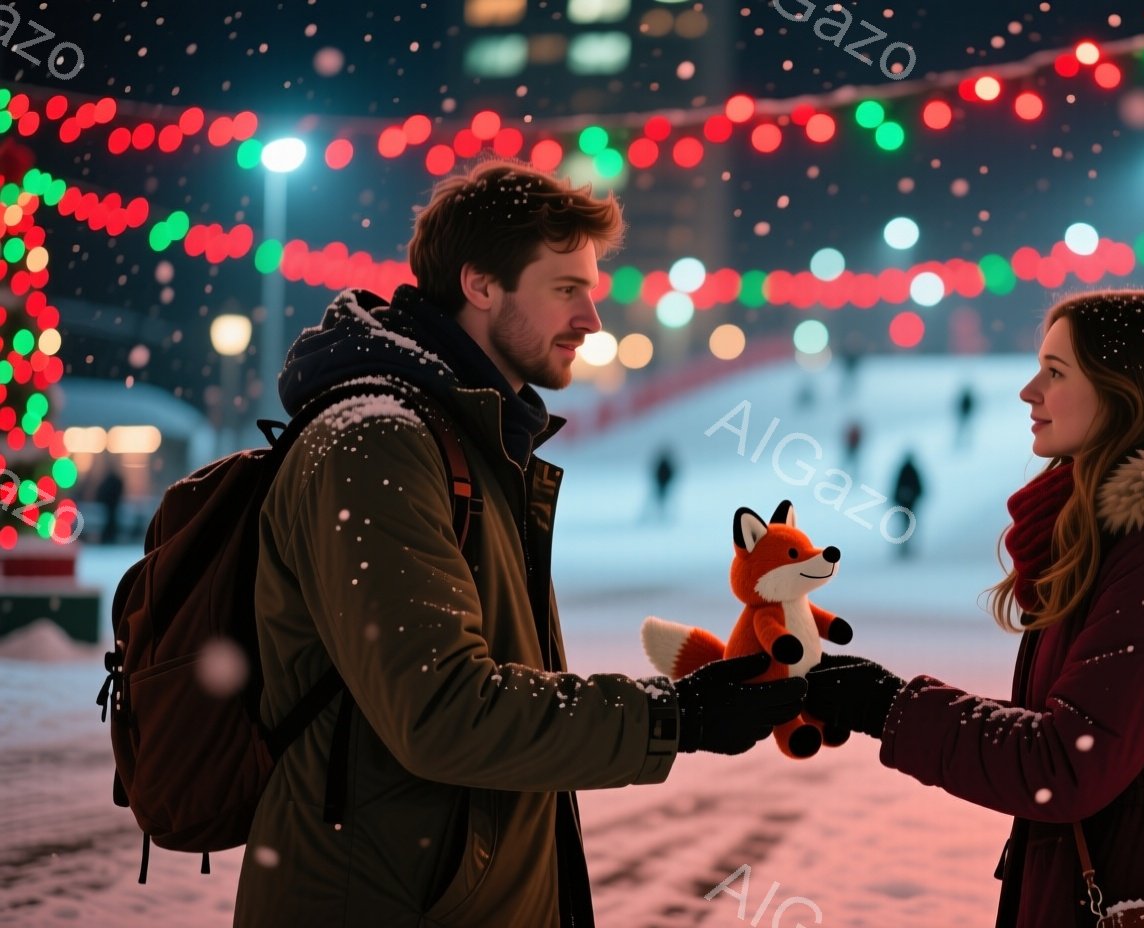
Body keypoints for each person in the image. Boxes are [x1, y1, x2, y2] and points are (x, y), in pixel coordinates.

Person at [235, 160, 805, 927]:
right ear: (480, 285)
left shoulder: (469, 438)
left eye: (591, 292)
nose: (593, 321)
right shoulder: (379, 441)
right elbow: (441, 711)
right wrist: (672, 718)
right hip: (381, 896)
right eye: (567, 289)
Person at [804, 290, 1144, 926]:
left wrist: (890, 707)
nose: (1028, 391)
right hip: (1111, 872)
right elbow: (1075, 736)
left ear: (1124, 391)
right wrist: (888, 702)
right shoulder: (1112, 536)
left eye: (1056, 372)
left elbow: (1069, 763)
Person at [891, 451, 924, 560]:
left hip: (906, 503)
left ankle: (905, 546)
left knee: (906, 525)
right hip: (908, 503)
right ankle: (905, 546)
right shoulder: (912, 470)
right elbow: (919, 487)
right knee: (908, 525)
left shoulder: (904, 471)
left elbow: (896, 486)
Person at [94, 468, 125, 544]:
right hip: (113, 504)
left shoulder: (106, 482)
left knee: (109, 520)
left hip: (108, 504)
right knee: (111, 520)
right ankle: (110, 536)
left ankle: (107, 537)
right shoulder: (116, 482)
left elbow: (100, 492)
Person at [649, 445, 677, 523]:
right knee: (662, 500)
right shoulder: (665, 464)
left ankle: (661, 514)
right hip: (662, 485)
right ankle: (660, 514)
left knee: (661, 500)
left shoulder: (662, 464)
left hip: (662, 485)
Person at [955, 384, 977, 448]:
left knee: (964, 430)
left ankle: (965, 443)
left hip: (965, 416)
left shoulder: (966, 399)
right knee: (964, 430)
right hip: (965, 416)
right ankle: (963, 443)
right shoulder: (967, 399)